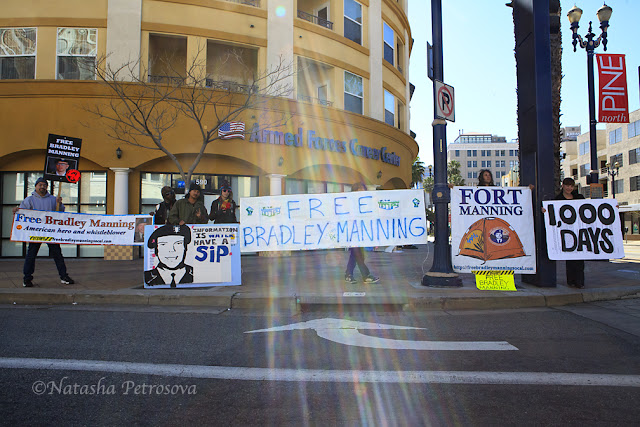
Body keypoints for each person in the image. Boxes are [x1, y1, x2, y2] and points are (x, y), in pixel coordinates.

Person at [12, 177, 74, 287]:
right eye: (40, 185)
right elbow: (22, 213)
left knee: (57, 255)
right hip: (35, 233)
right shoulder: (29, 200)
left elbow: (60, 213)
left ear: (47, 187)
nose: (42, 187)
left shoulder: (53, 199)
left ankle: (64, 276)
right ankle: (27, 278)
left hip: (50, 232)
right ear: (35, 186)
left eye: (44, 185)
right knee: (31, 255)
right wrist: (17, 211)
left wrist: (59, 204)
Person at [344, 182, 379, 284]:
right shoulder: (349, 202)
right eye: (359, 189)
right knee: (357, 254)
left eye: (363, 189)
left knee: (356, 255)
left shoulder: (366, 202)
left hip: (362, 232)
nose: (361, 191)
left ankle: (349, 274)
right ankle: (365, 275)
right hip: (352, 232)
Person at [554, 177, 585, 288]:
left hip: (579, 230)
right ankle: (571, 280)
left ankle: (579, 281)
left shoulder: (579, 197)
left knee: (580, 257)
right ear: (563, 185)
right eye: (567, 185)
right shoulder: (558, 199)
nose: (569, 188)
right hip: (565, 231)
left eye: (571, 186)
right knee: (570, 257)